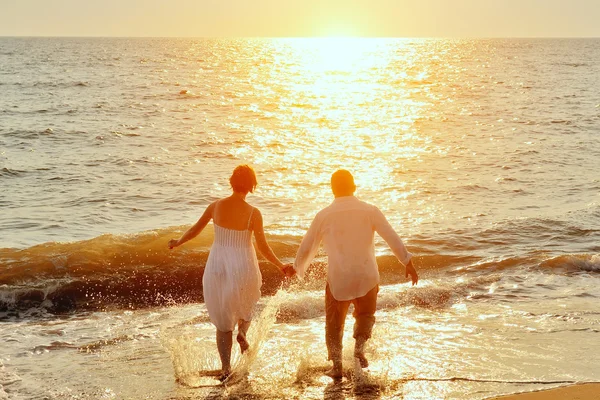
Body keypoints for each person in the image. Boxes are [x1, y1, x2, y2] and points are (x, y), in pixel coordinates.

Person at [288, 169, 418, 378]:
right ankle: (359, 347)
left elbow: (307, 246)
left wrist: (296, 268)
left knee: (334, 323)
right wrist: (407, 261)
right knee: (366, 315)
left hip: (339, 278)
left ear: (332, 189)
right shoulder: (370, 210)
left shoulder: (324, 215)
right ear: (354, 187)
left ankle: (337, 366)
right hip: (366, 276)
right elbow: (391, 236)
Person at [168, 164, 289, 380]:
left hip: (218, 266)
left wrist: (178, 242)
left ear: (231, 182)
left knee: (223, 322)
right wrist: (280, 266)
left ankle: (226, 369)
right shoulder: (254, 213)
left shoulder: (216, 206)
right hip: (243, 265)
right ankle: (242, 333)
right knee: (246, 308)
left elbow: (195, 229)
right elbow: (263, 247)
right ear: (251, 186)